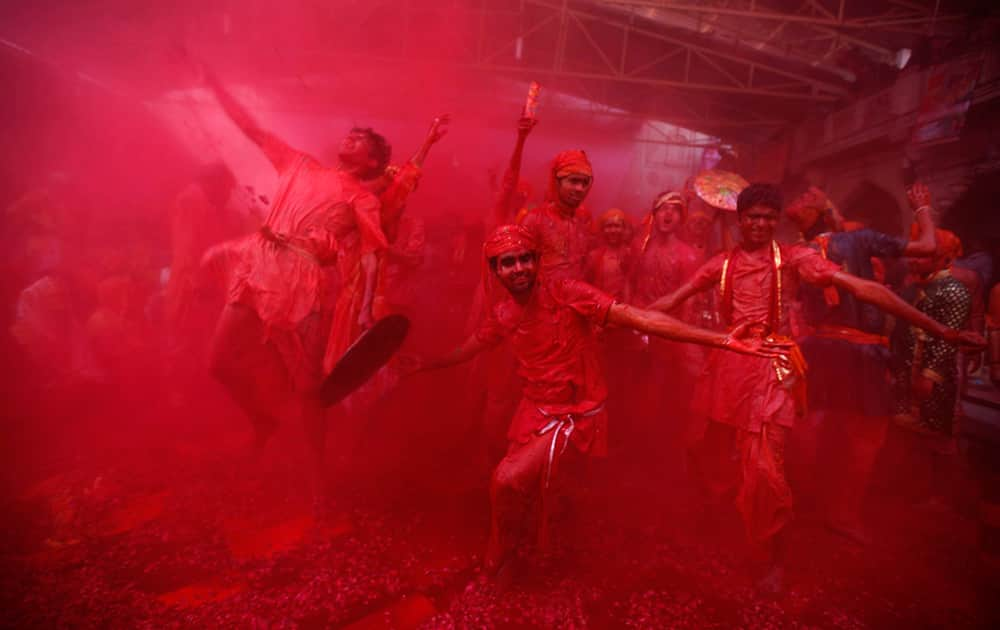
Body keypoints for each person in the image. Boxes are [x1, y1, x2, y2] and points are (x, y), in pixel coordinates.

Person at [649, 183, 983, 592]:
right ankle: (718, 512)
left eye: (769, 218)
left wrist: (941, 331)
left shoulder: (795, 259)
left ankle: (772, 556)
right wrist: (609, 315)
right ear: (741, 220)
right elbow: (668, 302)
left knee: (766, 470)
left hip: (773, 370)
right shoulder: (719, 264)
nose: (761, 224)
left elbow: (867, 289)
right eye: (753, 216)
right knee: (704, 450)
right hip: (727, 367)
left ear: (777, 223)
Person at [407, 224, 783, 580]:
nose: (519, 268)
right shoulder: (504, 314)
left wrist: (720, 340)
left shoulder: (567, 292)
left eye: (525, 258)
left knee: (506, 480)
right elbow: (471, 346)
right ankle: (535, 544)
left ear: (537, 261)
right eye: (508, 262)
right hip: (534, 409)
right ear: (495, 270)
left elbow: (638, 318)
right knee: (527, 489)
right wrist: (427, 363)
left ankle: (499, 555)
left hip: (575, 412)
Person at [197, 62, 390, 510]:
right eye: (351, 134)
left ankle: (317, 482)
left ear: (373, 161)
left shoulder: (362, 197)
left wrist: (366, 306)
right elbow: (249, 127)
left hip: (302, 278)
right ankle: (263, 420)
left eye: (360, 140)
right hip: (259, 261)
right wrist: (214, 82)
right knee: (218, 363)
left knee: (309, 388)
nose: (349, 139)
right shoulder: (299, 163)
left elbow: (372, 251)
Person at [787, 183, 937, 544]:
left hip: (818, 350)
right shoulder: (859, 240)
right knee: (863, 441)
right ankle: (842, 514)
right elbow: (929, 247)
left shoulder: (796, 252)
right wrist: (922, 209)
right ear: (830, 214)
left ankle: (798, 507)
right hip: (861, 354)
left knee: (808, 434)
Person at [519, 150, 596, 281]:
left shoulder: (583, 221)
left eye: (584, 183)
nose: (580, 188)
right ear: (557, 182)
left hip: (578, 299)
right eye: (574, 181)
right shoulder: (535, 219)